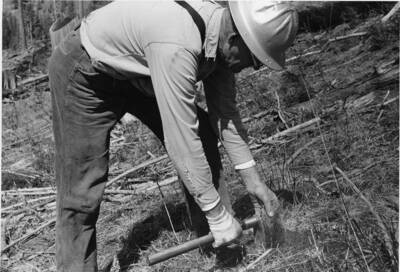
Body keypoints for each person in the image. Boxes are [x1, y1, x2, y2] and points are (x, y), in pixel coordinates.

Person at [48, 1, 298, 271]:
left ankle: (219, 243)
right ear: (235, 38)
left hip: (135, 68)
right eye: (255, 60)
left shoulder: (220, 40)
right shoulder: (178, 43)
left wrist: (254, 182)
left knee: (204, 134)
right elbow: (181, 138)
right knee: (81, 188)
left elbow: (225, 116)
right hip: (85, 71)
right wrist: (216, 213)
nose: (254, 68)